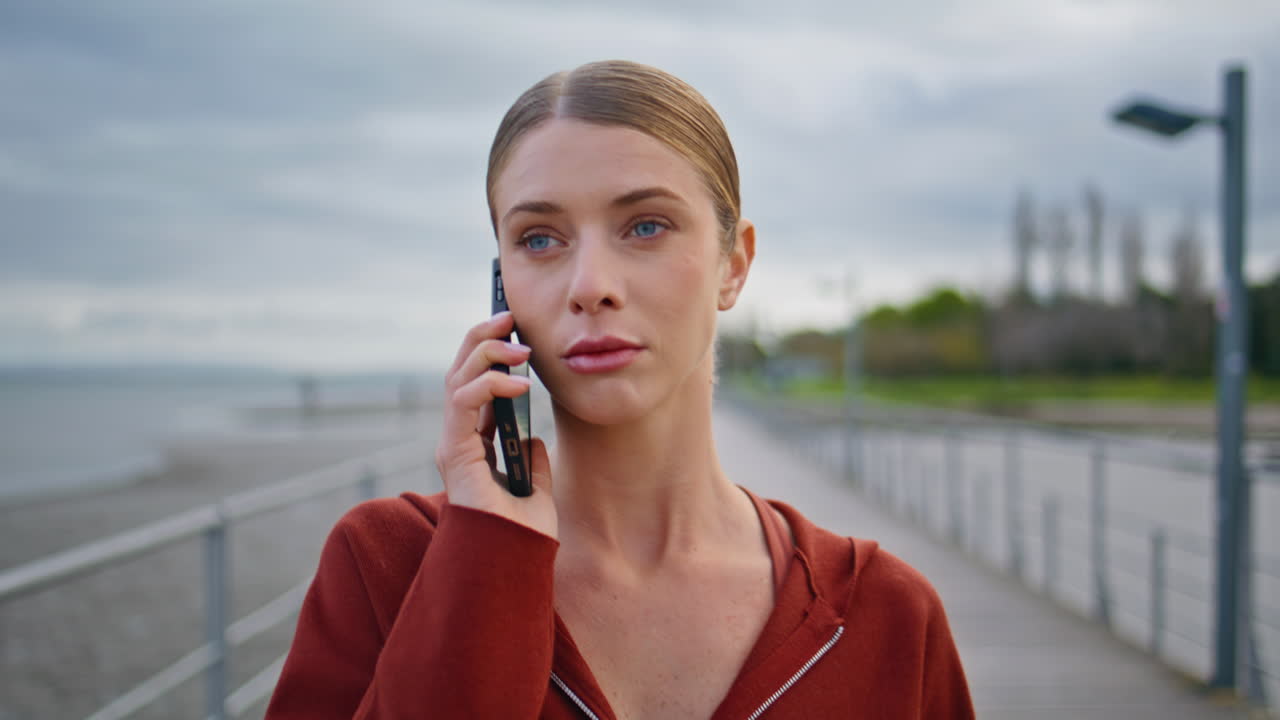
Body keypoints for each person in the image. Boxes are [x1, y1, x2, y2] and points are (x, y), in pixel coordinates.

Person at [265, 59, 974, 719]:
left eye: (645, 226)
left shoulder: (888, 615)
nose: (591, 286)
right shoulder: (386, 564)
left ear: (734, 263)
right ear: (502, 279)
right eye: (539, 238)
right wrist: (485, 557)